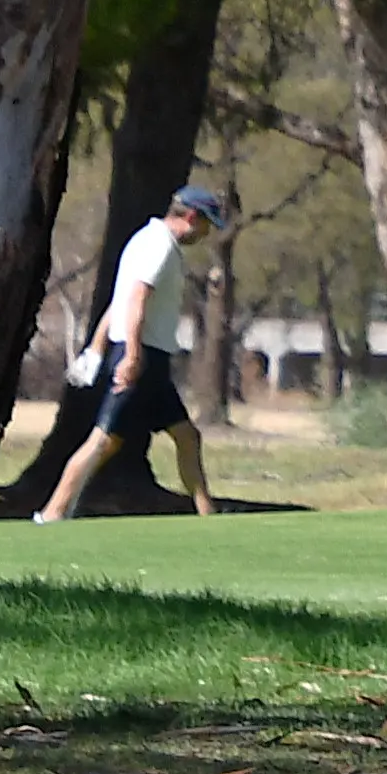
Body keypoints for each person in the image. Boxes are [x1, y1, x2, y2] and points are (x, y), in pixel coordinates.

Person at [37, 186, 232, 523]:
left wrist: (97, 349)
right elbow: (136, 300)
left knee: (187, 436)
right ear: (191, 217)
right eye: (205, 225)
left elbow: (119, 302)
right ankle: (51, 514)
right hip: (140, 356)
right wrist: (131, 355)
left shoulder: (149, 240)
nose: (204, 234)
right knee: (102, 441)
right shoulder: (158, 246)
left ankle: (207, 516)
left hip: (150, 359)